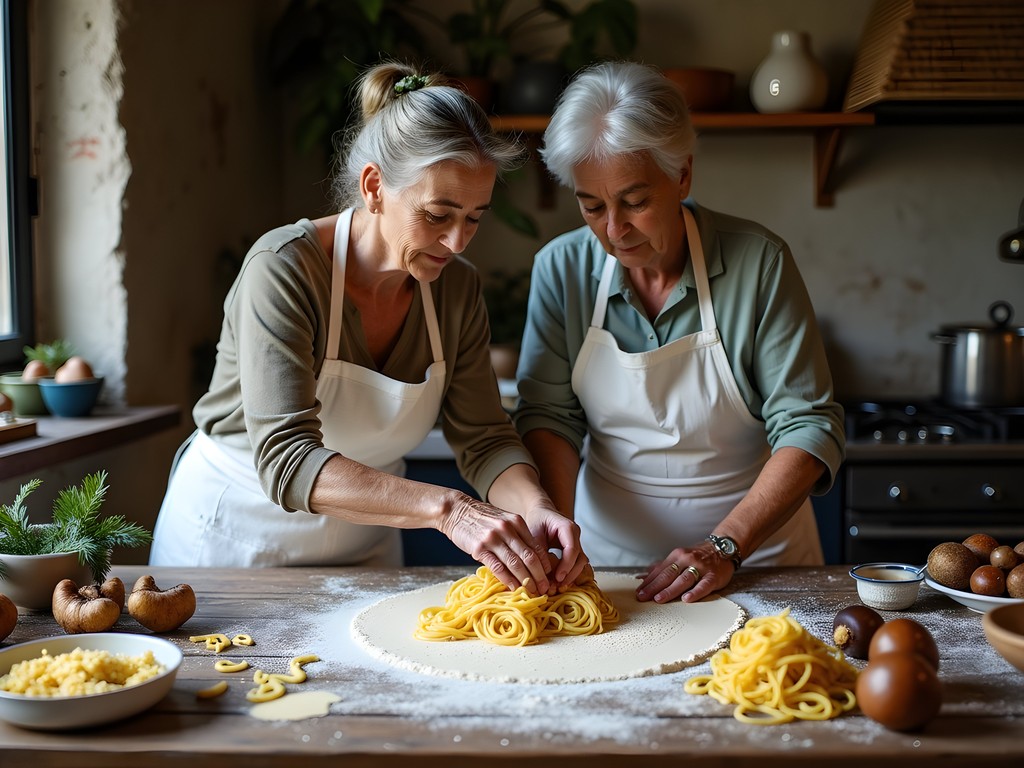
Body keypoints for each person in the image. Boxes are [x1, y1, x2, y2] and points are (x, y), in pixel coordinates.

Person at [150, 62, 587, 595]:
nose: (457, 242)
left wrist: (536, 507)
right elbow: (287, 459)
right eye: (436, 215)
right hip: (232, 542)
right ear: (374, 186)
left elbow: (485, 438)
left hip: (366, 546)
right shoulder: (285, 268)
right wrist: (448, 509)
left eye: (474, 217)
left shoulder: (456, 289)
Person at [513, 61, 845, 605]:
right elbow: (550, 417)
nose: (614, 231)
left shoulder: (758, 264)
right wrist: (554, 532)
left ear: (683, 176)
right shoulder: (561, 269)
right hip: (608, 564)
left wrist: (725, 546)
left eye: (635, 202)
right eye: (592, 206)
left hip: (756, 561)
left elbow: (809, 425)